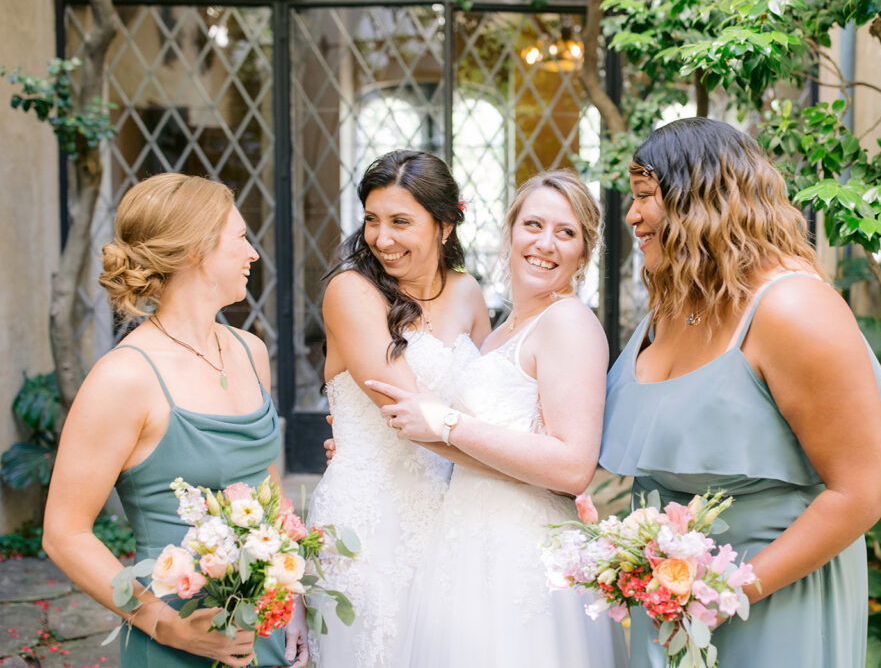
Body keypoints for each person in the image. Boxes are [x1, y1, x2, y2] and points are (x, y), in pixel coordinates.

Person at [599, 117, 881, 667]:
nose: (631, 214)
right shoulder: (674, 301)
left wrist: (726, 593)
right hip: (668, 600)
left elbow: (862, 490)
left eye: (645, 195)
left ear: (701, 198)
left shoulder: (793, 309)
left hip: (773, 599)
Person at [43, 173, 307, 667]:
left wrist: (291, 600)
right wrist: (168, 626)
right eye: (240, 238)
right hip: (175, 640)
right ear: (195, 252)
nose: (253, 254)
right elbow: (64, 534)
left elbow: (266, 488)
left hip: (261, 630)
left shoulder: (250, 351)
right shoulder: (124, 377)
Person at [367, 170, 626, 668]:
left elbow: (573, 467)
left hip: (523, 553)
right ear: (510, 231)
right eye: (533, 225)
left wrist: (447, 424)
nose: (545, 243)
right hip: (464, 539)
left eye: (566, 232)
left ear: (583, 253)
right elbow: (491, 448)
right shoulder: (504, 331)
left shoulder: (569, 322)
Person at [305, 150, 492, 667]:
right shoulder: (351, 291)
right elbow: (408, 411)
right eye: (372, 220)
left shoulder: (468, 293)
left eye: (400, 222)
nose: (381, 238)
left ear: (445, 224)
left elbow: (493, 402)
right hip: (368, 524)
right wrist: (514, 460)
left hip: (454, 515)